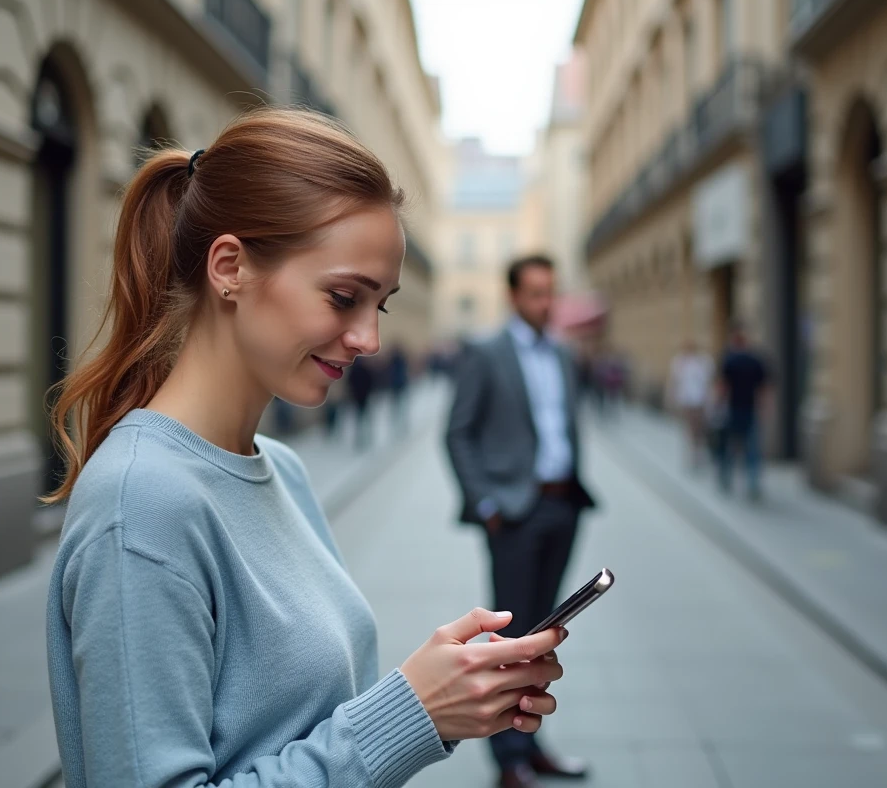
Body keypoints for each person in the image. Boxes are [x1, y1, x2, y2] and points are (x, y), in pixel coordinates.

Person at [43, 108, 568, 788]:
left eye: (379, 305)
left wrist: (445, 690)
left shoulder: (280, 470)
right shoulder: (141, 504)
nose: (368, 339)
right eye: (344, 296)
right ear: (229, 267)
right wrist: (413, 713)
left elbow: (304, 725)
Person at [445, 254, 596, 788]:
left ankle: (532, 747)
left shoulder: (561, 352)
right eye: (535, 293)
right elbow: (458, 431)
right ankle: (508, 760)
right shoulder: (486, 352)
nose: (545, 302)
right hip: (513, 513)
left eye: (550, 292)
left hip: (563, 505)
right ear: (513, 296)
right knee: (514, 640)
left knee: (546, 634)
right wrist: (486, 505)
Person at [715, 321, 772, 500]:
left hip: (735, 409)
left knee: (732, 445)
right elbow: (764, 389)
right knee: (751, 447)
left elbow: (723, 387)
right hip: (748, 409)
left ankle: (727, 477)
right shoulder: (754, 359)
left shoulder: (729, 359)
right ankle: (752, 482)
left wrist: (717, 405)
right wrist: (765, 408)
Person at [668, 340, 714, 468]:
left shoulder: (703, 361)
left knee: (700, 430)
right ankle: (692, 455)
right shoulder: (679, 362)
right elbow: (675, 382)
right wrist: (673, 399)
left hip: (700, 401)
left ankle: (698, 453)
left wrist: (709, 401)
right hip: (686, 401)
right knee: (690, 429)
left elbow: (707, 383)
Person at [346, 358, 375, 450]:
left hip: (358, 397)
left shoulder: (353, 371)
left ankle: (360, 438)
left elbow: (349, 383)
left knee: (359, 418)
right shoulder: (365, 369)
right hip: (364, 397)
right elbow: (370, 381)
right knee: (365, 418)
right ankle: (366, 436)